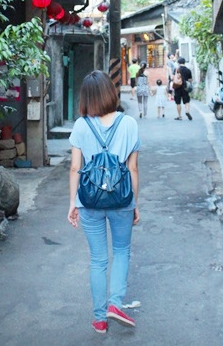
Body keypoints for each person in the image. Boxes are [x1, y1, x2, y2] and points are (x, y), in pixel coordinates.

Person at [68, 71, 141, 332]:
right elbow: (132, 169)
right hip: (121, 200)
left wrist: (73, 202)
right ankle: (115, 304)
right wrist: (135, 202)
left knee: (98, 260)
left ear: (86, 98)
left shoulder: (80, 125)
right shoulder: (129, 124)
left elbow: (76, 167)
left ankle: (100, 319)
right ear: (111, 93)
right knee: (121, 252)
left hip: (89, 201)